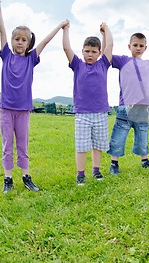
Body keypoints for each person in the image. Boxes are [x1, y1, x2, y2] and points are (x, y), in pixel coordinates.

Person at [0, 0, 67, 193]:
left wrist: (60, 26)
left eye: (23, 40)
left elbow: (44, 41)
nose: (19, 42)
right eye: (16, 39)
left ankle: (26, 176)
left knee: (23, 145)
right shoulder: (6, 55)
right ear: (12, 41)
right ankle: (8, 179)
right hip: (6, 110)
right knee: (7, 145)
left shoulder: (31, 59)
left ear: (28, 43)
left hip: (23, 111)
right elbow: (1, 29)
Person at [62, 20, 113, 186]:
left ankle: (96, 170)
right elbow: (66, 49)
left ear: (99, 53)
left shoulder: (103, 65)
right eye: (87, 51)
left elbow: (110, 45)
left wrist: (106, 31)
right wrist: (66, 30)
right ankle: (80, 174)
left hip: (100, 113)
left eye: (93, 52)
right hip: (82, 114)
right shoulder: (77, 65)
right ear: (82, 51)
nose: (90, 54)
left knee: (98, 145)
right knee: (82, 146)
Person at [107, 33, 149, 175]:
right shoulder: (122, 61)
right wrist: (106, 35)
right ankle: (114, 163)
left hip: (143, 108)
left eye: (141, 46)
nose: (138, 48)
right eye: (135, 45)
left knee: (143, 135)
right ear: (129, 46)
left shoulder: (148, 64)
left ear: (145, 48)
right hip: (125, 106)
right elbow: (107, 55)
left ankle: (145, 161)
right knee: (119, 135)